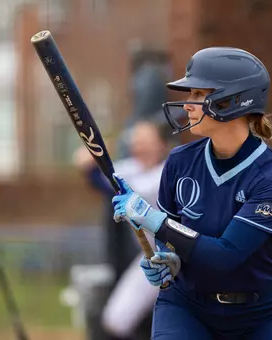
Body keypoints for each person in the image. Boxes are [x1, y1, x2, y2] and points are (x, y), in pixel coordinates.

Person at [111, 47, 272, 339]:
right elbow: (171, 240)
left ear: (233, 101)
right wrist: (168, 259)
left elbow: (224, 256)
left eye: (197, 94)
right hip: (187, 307)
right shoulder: (180, 161)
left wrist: (149, 217)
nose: (188, 105)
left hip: (263, 314)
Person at [74, 120, 171, 340]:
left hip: (180, 255)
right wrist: (89, 161)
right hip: (152, 257)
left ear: (162, 145)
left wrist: (92, 165)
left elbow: (118, 189)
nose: (141, 147)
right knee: (116, 320)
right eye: (137, 142)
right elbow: (101, 178)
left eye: (147, 142)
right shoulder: (133, 168)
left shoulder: (166, 172)